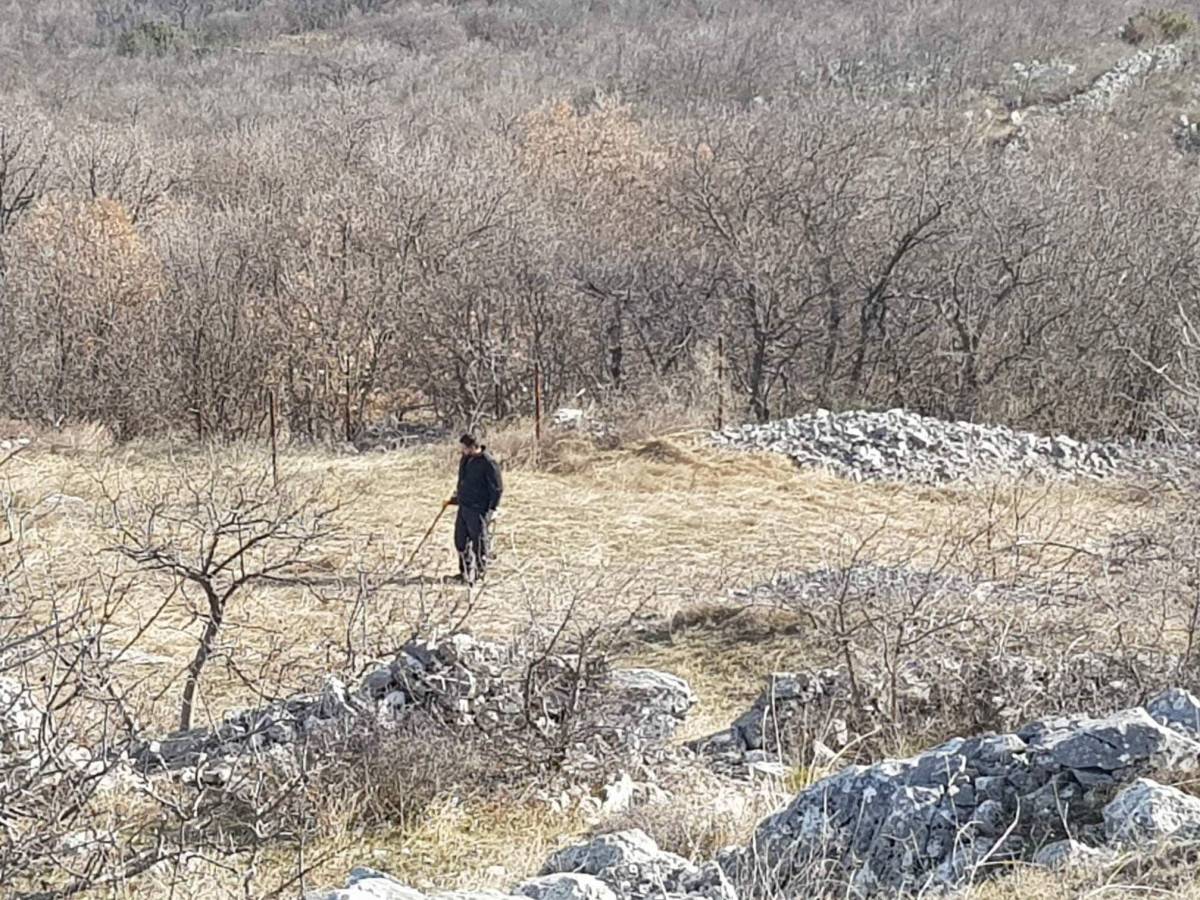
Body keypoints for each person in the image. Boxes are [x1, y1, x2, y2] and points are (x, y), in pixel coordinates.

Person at [447, 433, 503, 583]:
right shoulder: (465, 459)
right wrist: (456, 498)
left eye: (464, 448)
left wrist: (492, 509)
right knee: (460, 541)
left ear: (472, 447)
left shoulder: (488, 463)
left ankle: (479, 574)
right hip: (464, 506)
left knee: (479, 542)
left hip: (478, 508)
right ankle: (464, 573)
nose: (462, 450)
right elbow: (463, 480)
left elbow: (497, 488)